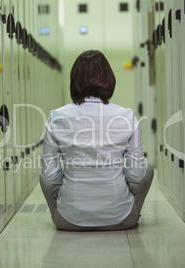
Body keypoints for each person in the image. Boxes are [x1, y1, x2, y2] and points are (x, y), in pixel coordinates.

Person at [40, 50, 154, 231]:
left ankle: (68, 208)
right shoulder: (126, 116)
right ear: (109, 78)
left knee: (46, 175)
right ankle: (126, 210)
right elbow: (136, 174)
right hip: (120, 219)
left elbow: (49, 175)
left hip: (67, 221)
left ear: (74, 80)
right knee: (146, 170)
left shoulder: (57, 117)